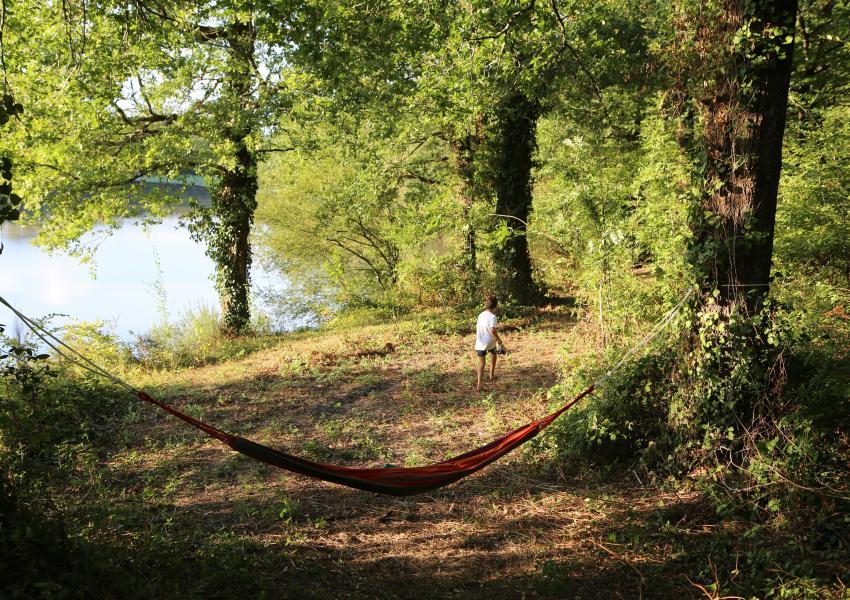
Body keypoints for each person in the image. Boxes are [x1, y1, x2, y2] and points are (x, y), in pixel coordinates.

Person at [474, 295, 507, 391]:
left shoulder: (481, 314)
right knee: (493, 353)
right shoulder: (493, 317)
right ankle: (491, 375)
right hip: (489, 341)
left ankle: (479, 384)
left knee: (482, 363)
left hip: (480, 342)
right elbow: (492, 330)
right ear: (495, 306)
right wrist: (499, 340)